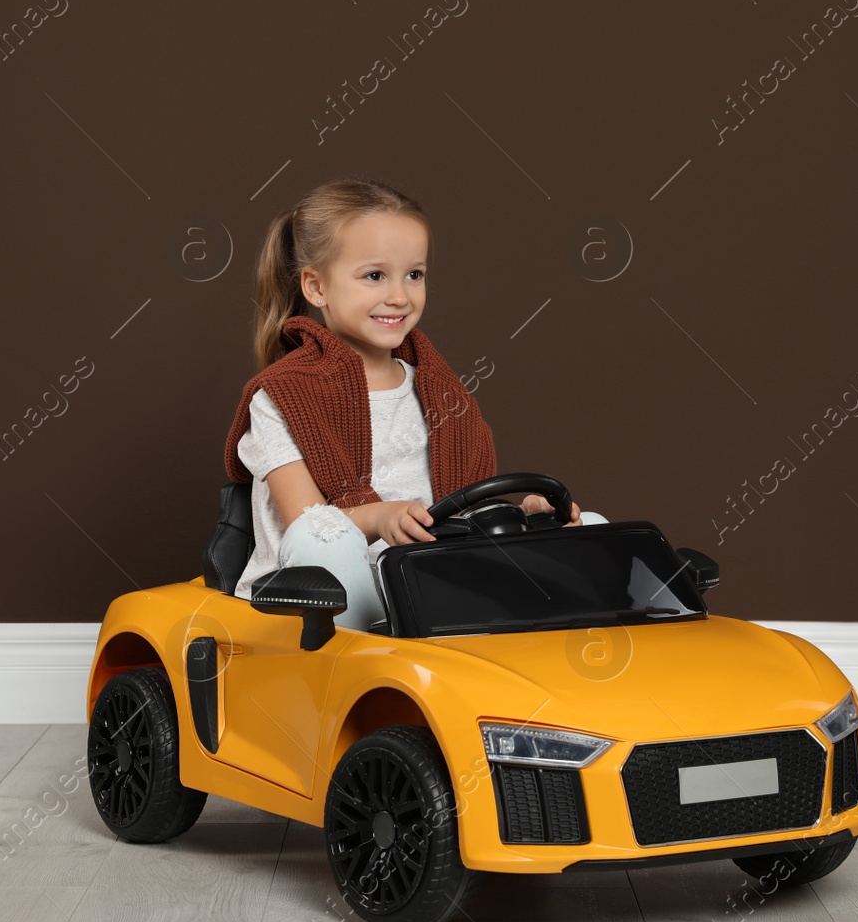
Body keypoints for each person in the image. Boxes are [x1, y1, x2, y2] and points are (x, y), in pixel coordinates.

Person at [222, 178, 606, 630]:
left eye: (414, 275)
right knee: (322, 536)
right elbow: (305, 521)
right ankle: (366, 653)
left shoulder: (437, 389)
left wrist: (522, 518)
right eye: (374, 275)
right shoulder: (282, 396)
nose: (400, 296)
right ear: (316, 287)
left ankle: (586, 665)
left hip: (423, 571)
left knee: (591, 526)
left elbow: (462, 509)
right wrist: (382, 516)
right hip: (315, 592)